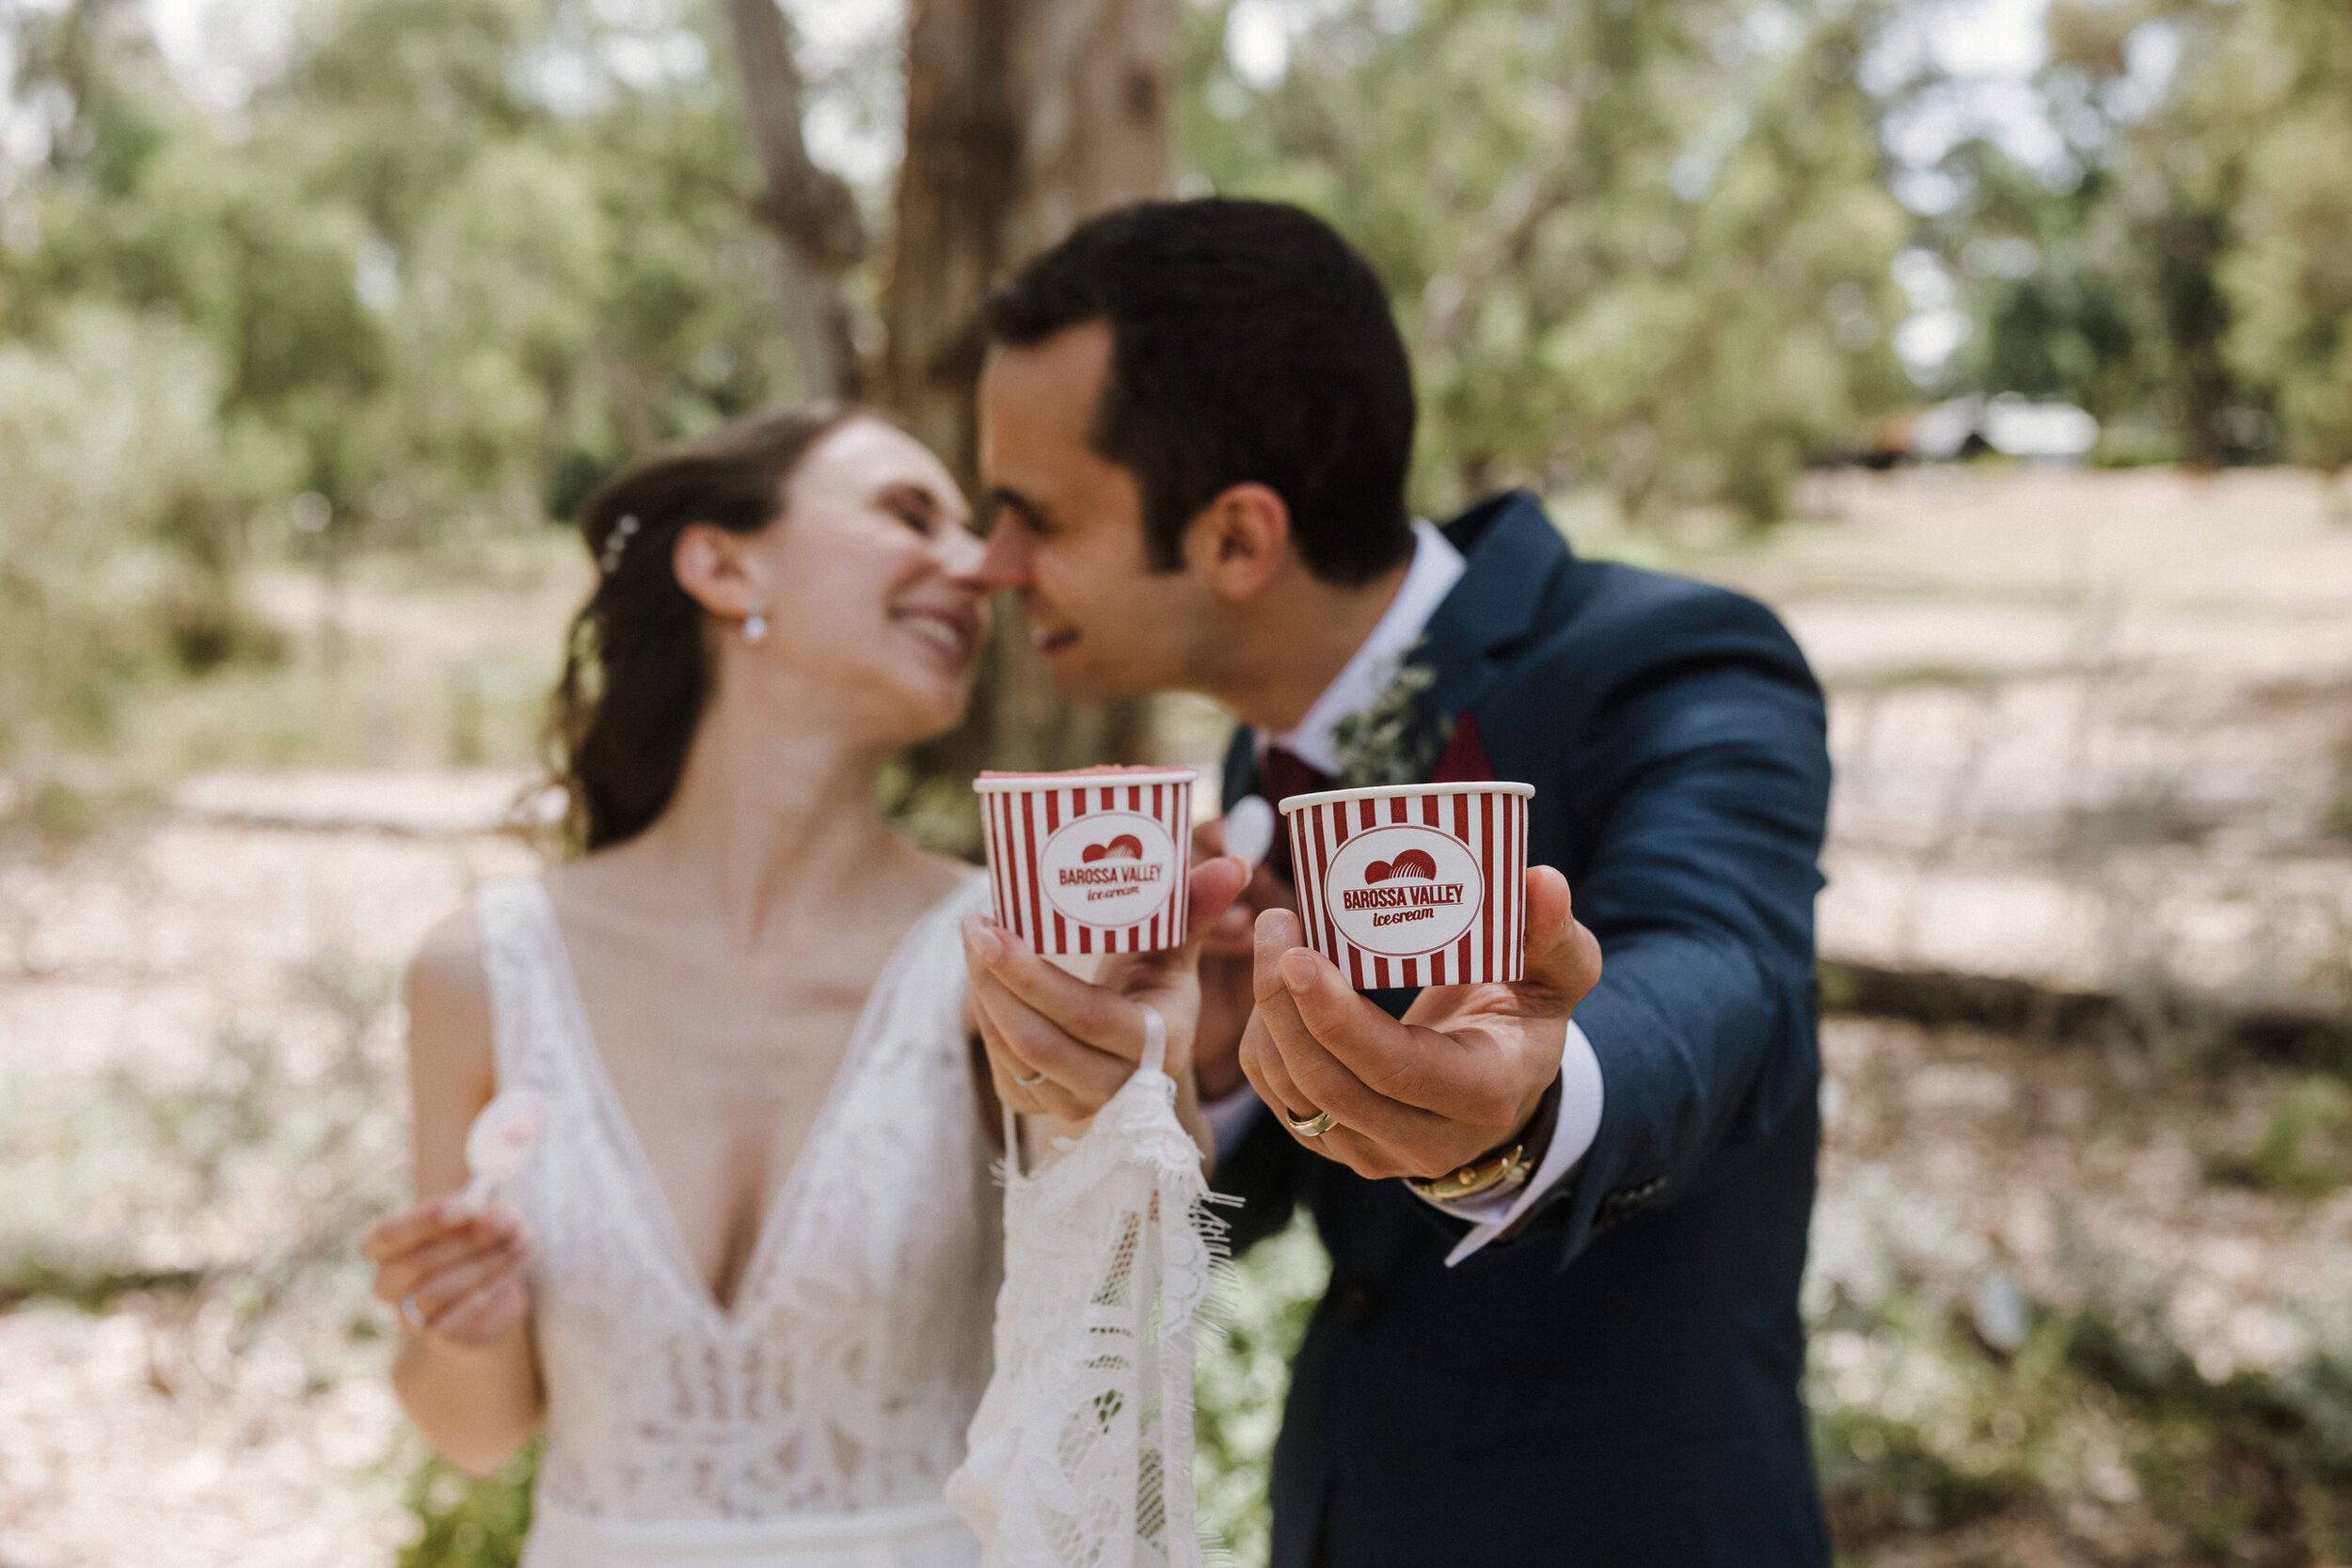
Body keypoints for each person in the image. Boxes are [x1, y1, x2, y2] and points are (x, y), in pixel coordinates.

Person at [956, 198, 1836, 1565]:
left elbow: (1726, 970)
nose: (991, 563)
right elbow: (1306, 1223)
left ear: (1240, 540)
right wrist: (1215, 1073)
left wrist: (1529, 1094)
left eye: (1035, 515)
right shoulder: (1259, 756)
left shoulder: (1673, 657)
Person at [360, 403, 1243, 1568]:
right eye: (905, 511)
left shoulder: (998, 946)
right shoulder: (481, 969)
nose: (978, 567)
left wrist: (1141, 1093)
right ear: (723, 565)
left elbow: (1121, 1329)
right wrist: (461, 1324)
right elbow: (474, 1431)